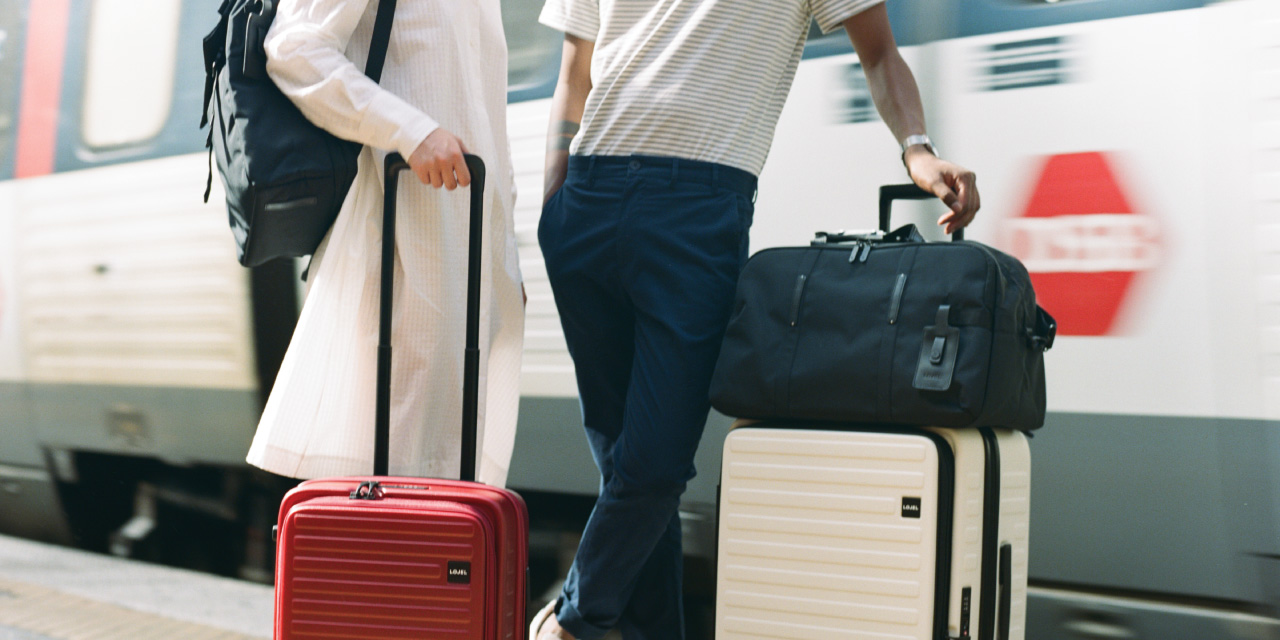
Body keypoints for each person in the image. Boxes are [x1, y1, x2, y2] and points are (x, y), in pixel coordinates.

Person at [531, 1, 980, 639]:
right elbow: (575, 66)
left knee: (654, 464)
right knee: (622, 462)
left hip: (698, 210)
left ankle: (571, 622)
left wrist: (917, 152)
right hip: (587, 201)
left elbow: (878, 51)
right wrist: (555, 200)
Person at [244, 0, 525, 488]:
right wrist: (409, 131)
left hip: (469, 255)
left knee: (448, 484)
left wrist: (505, 255)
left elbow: (486, 114)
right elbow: (294, 47)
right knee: (391, 483)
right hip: (400, 240)